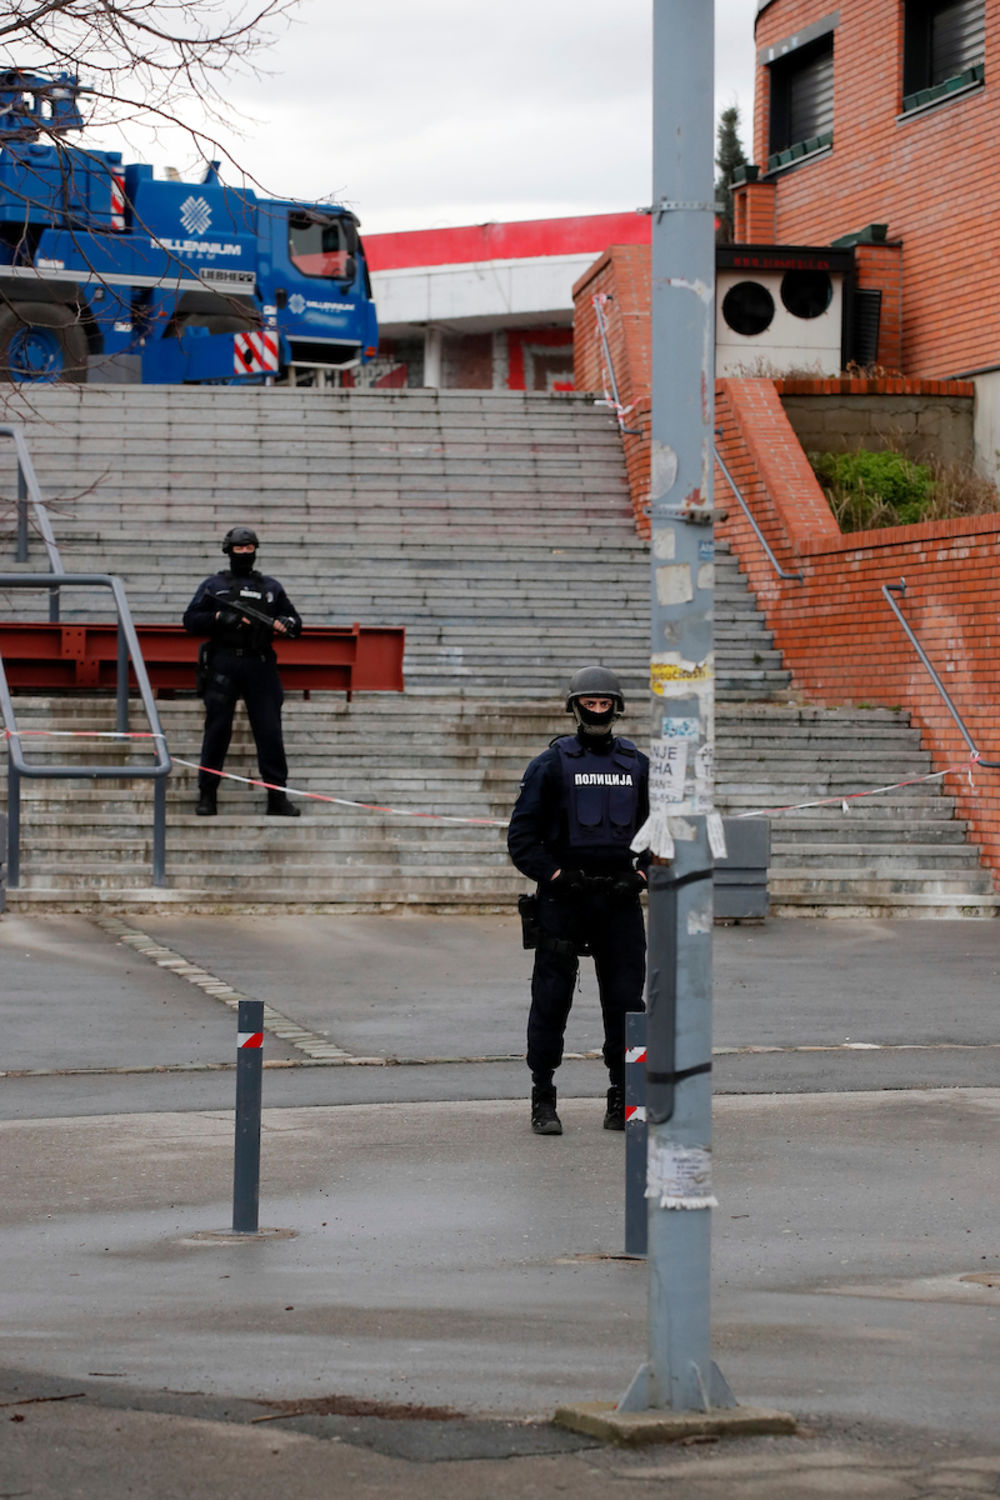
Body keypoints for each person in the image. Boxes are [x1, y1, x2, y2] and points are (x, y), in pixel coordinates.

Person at [507, 665, 649, 1137]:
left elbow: (663, 836)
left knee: (627, 1002)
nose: (598, 710)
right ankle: (543, 1095)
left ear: (618, 707)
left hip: (619, 901)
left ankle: (623, 1095)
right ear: (574, 706)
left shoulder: (638, 765)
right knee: (551, 998)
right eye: (590, 702)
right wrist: (555, 875)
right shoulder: (549, 765)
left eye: (605, 703)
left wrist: (642, 876)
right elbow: (522, 839)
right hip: (564, 900)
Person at [183, 525, 303, 817]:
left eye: (250, 549)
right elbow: (190, 620)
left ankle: (277, 797)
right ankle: (207, 794)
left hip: (260, 664)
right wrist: (219, 617)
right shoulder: (214, 586)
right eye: (240, 549)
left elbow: (295, 623)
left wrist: (286, 623)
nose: (245, 554)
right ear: (229, 552)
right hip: (224, 663)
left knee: (270, 732)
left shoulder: (270, 588)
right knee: (217, 731)